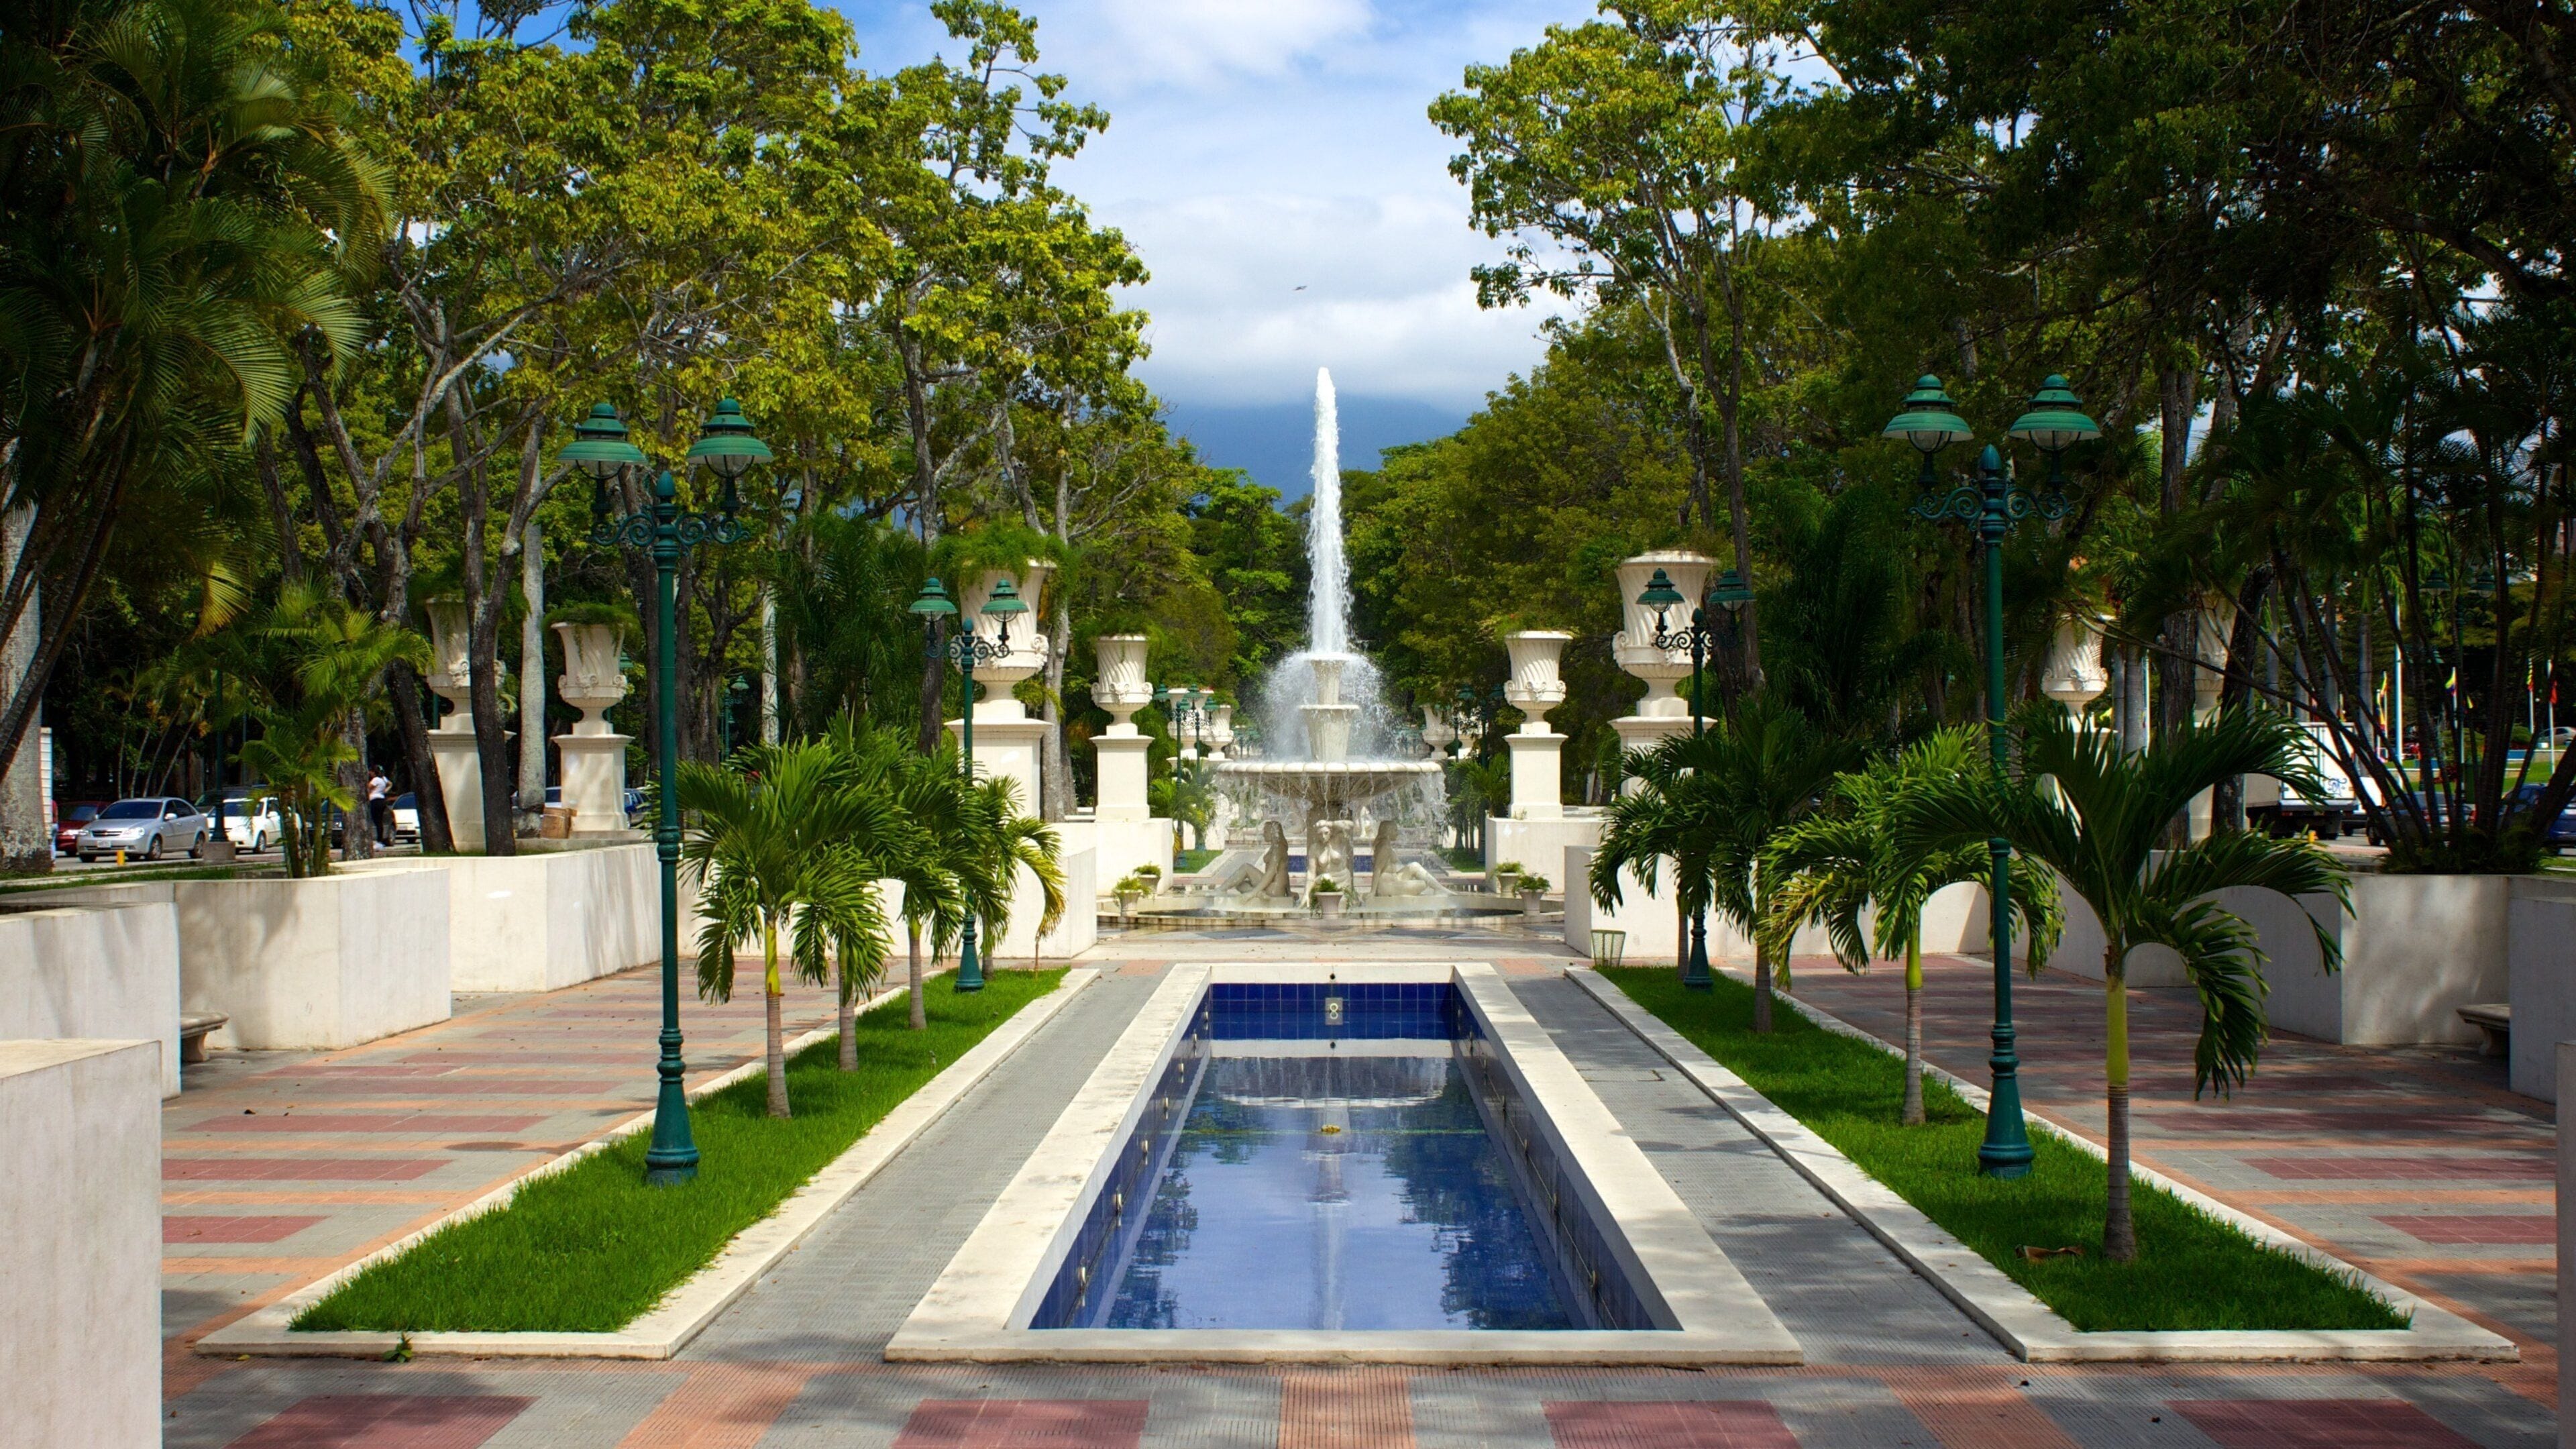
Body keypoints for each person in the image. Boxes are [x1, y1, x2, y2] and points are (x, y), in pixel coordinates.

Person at [367, 768, 392, 845]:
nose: (369, 774)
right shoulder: (383, 779)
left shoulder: (376, 780)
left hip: (375, 800)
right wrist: (385, 790)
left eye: (371, 772)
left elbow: (368, 788)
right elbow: (390, 784)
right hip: (382, 799)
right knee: (379, 821)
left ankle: (379, 839)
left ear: (374, 773)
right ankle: (380, 839)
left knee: (376, 820)